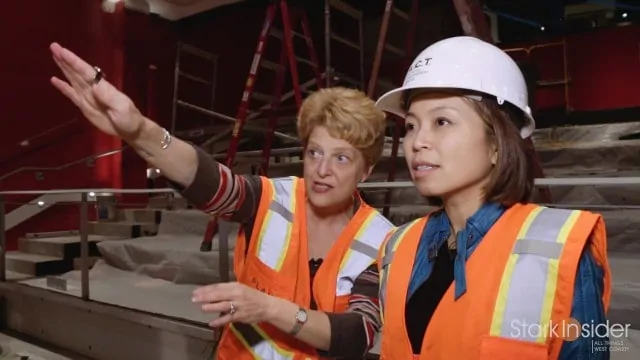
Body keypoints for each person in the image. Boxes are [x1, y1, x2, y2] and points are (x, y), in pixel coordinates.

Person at [48, 42, 393, 359]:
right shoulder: (271, 198)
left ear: (366, 171)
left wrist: (269, 308)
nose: (322, 169)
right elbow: (210, 182)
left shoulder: (382, 240)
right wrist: (140, 130)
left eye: (342, 158)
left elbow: (357, 334)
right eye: (314, 152)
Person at [373, 36, 612, 359]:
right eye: (411, 126)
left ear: (497, 143)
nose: (418, 141)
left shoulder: (560, 252)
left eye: (441, 121)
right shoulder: (397, 246)